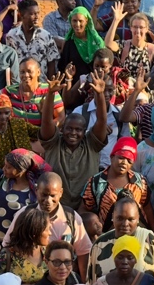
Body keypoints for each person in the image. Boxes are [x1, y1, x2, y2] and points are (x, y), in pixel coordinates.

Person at [40, 70, 110, 210]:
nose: (73, 133)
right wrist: (50, 94)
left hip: (85, 208)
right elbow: (46, 122)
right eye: (69, 128)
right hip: (55, 208)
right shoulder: (54, 143)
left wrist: (100, 94)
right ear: (62, 129)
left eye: (78, 130)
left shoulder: (91, 144)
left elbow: (102, 121)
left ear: (85, 131)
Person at [4, 172, 94, 280]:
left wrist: (85, 282)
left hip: (63, 281)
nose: (48, 201)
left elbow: (83, 252)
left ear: (61, 193)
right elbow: (8, 246)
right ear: (36, 191)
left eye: (52, 196)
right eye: (44, 195)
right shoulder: (25, 214)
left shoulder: (71, 217)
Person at [0, 139, 46, 266]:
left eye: (8, 167)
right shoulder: (2, 177)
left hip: (17, 243)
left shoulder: (34, 190)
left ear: (21, 169)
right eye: (4, 165)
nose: (4, 169)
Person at [80, 135, 151, 231]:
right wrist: (92, 226)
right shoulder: (96, 182)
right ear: (112, 156)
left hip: (136, 234)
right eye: (121, 157)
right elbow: (83, 209)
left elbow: (147, 208)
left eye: (129, 160)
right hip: (107, 234)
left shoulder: (139, 182)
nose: (124, 162)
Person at [87, 198, 154, 282]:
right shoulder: (99, 244)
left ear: (138, 218)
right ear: (113, 217)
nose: (125, 224)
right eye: (120, 218)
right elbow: (91, 282)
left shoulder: (152, 241)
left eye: (130, 219)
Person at [0, 206, 51, 285]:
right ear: (35, 232)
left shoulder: (48, 252)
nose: (50, 233)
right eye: (47, 230)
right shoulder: (6, 257)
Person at [5, 0, 60, 79]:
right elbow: (9, 62)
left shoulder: (46, 36)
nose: (37, 17)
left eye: (37, 13)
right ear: (22, 15)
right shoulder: (11, 36)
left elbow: (51, 62)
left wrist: (50, 83)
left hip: (41, 83)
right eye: (32, 14)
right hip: (20, 84)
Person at [3, 58, 65, 128]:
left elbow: (61, 117)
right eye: (22, 72)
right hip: (18, 133)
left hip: (42, 134)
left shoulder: (49, 90)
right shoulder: (10, 91)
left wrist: (47, 129)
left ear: (38, 72)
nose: (26, 75)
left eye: (29, 71)